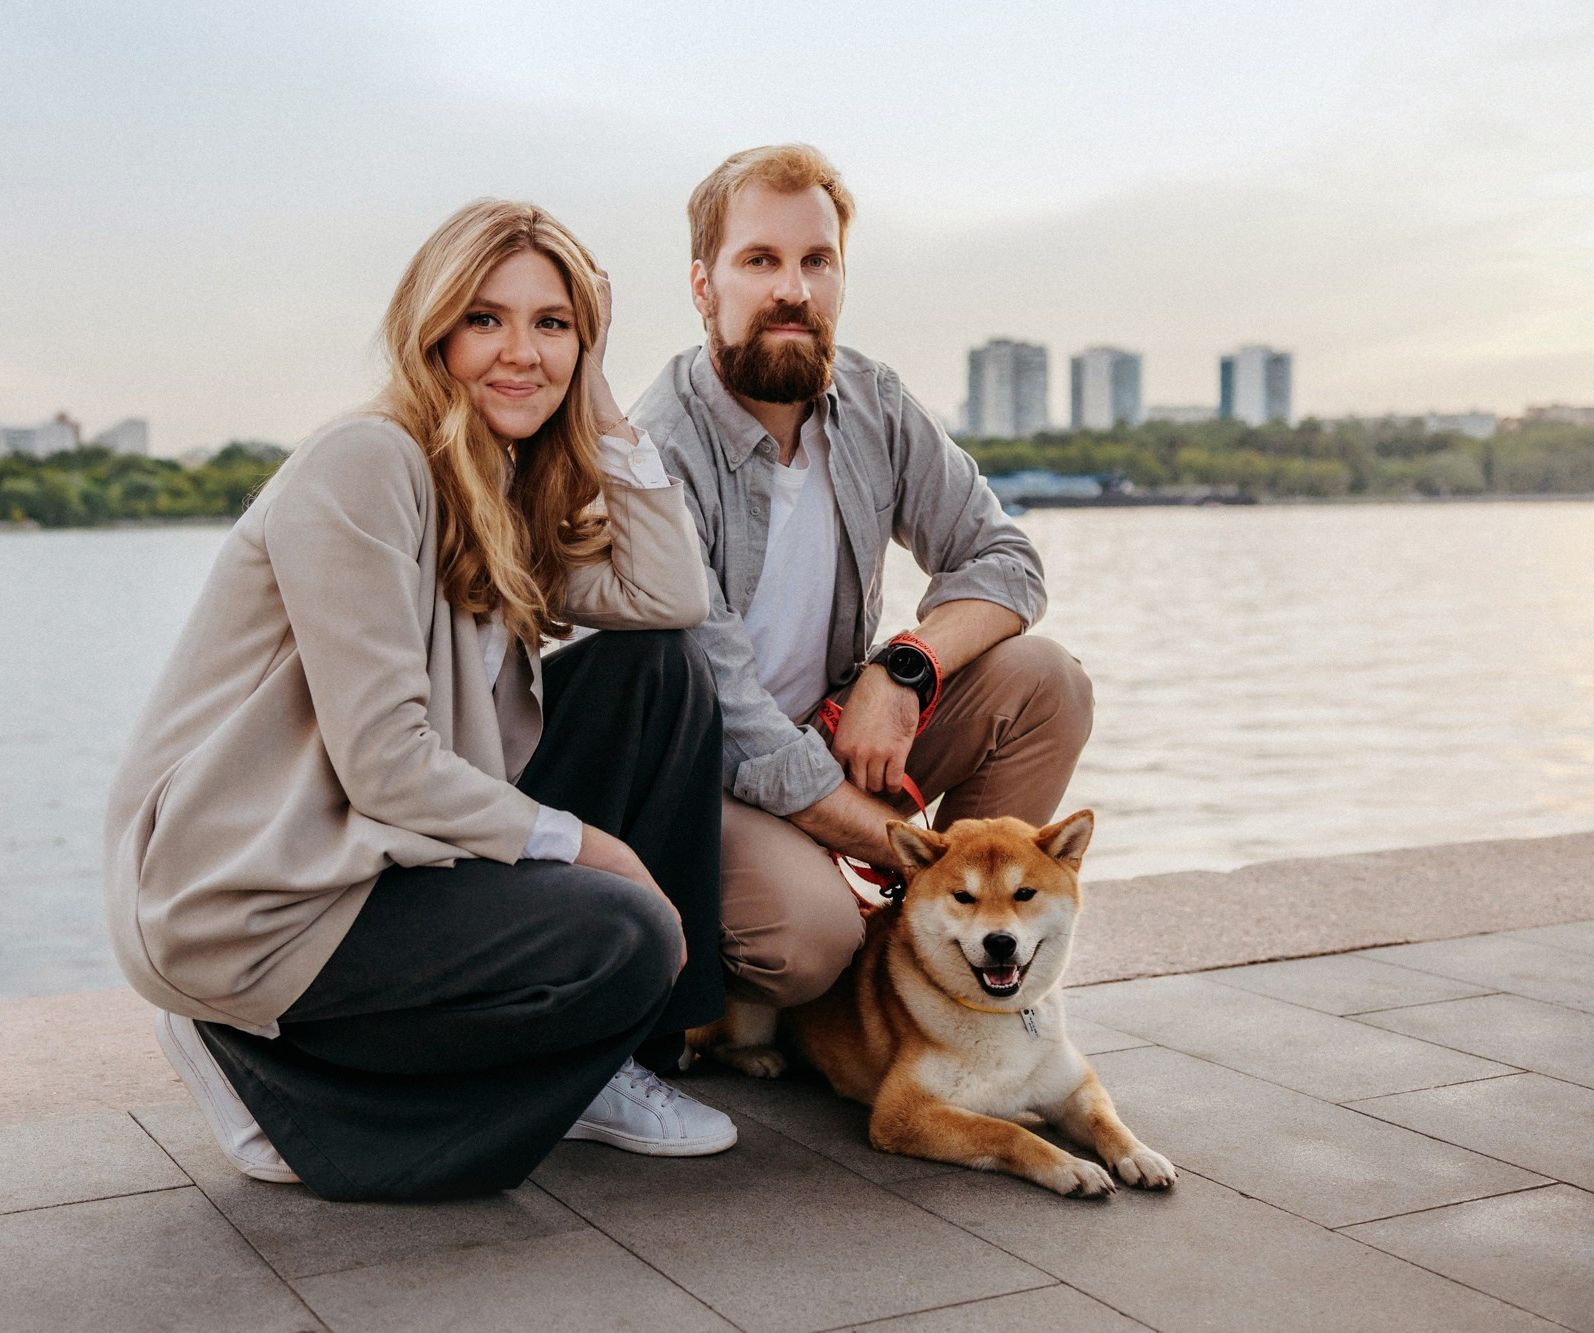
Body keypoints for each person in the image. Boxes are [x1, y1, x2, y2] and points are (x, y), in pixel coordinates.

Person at [103, 200, 735, 1202]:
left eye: (553, 324)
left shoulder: (500, 484)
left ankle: (612, 1061)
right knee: (625, 931)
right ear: (431, 328)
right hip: (260, 884)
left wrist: (602, 403)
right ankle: (268, 1068)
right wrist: (591, 846)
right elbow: (383, 762)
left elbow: (668, 599)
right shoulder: (365, 463)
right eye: (485, 319)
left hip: (382, 847)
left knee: (654, 672)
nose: (520, 352)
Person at [629, 145, 1094, 1014]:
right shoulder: (657, 455)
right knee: (808, 944)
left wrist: (905, 667)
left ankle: (934, 969)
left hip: (837, 727)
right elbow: (742, 735)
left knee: (1047, 682)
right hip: (709, 773)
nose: (793, 291)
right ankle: (826, 962)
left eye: (817, 262)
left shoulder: (873, 402)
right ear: (703, 286)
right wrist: (926, 855)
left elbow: (1007, 561)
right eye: (759, 261)